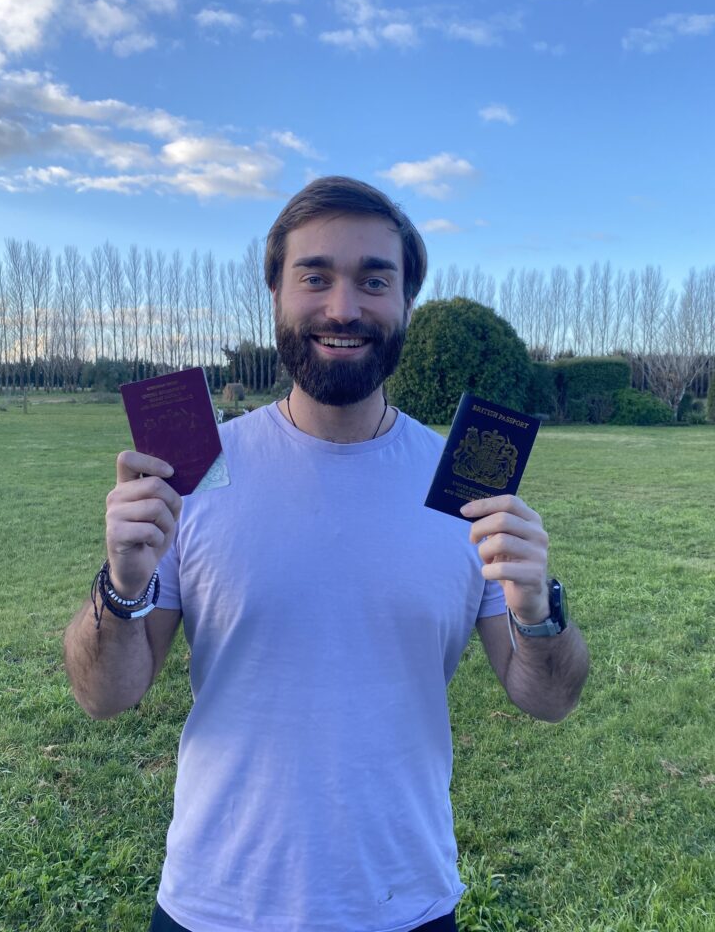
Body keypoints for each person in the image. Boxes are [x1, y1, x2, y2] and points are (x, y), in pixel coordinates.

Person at [64, 176, 589, 932]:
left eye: (375, 280)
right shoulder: (195, 473)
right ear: (274, 292)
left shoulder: (466, 486)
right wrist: (121, 583)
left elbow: (549, 699)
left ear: (406, 301)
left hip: (405, 903)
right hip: (215, 905)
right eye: (315, 276)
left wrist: (537, 612)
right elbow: (105, 697)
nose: (344, 307)